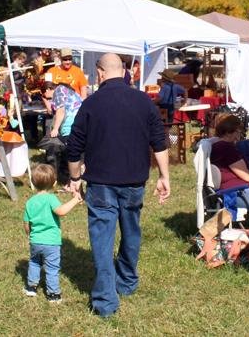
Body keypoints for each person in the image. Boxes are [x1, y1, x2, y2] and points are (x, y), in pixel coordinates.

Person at [65, 53, 170, 318]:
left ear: (100, 72)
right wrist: (164, 176)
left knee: (102, 239)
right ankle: (126, 282)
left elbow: (74, 148)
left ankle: (105, 301)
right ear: (123, 72)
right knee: (131, 231)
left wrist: (75, 179)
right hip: (134, 180)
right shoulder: (144, 101)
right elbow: (160, 142)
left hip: (100, 183)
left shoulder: (90, 103)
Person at [23, 163, 82, 303]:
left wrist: (30, 235)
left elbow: (26, 224)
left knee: (34, 262)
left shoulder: (30, 202)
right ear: (54, 183)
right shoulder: (51, 199)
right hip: (51, 242)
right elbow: (61, 211)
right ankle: (53, 294)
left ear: (33, 182)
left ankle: (31, 287)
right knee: (52, 267)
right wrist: (75, 200)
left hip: (35, 241)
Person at [42, 81, 83, 184]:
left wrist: (55, 129)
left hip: (71, 125)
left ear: (48, 90)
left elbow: (61, 111)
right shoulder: (65, 90)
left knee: (67, 153)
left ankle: (68, 180)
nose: (48, 99)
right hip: (81, 123)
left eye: (45, 96)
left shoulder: (58, 91)